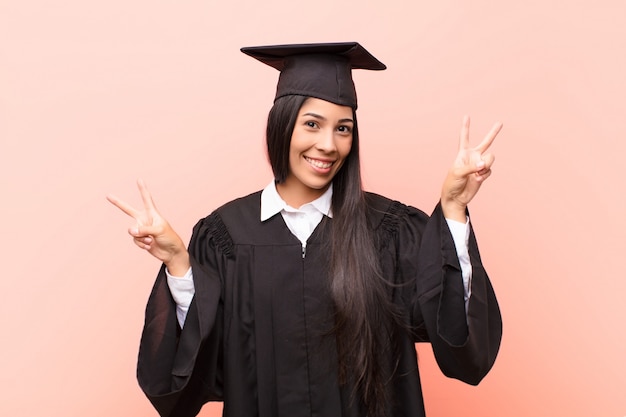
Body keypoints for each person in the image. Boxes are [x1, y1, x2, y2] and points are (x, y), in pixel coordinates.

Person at [108, 42, 503, 417]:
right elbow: (199, 367)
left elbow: (451, 331)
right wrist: (180, 264)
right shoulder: (225, 236)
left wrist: (453, 208)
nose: (328, 144)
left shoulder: (389, 231)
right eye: (312, 124)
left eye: (343, 128)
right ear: (282, 125)